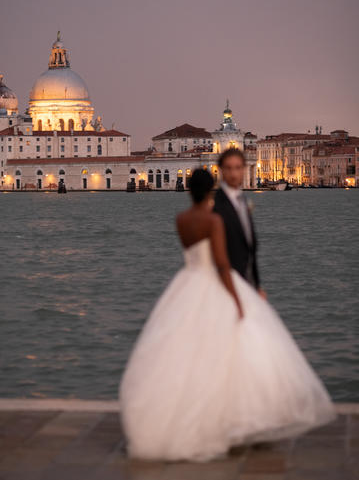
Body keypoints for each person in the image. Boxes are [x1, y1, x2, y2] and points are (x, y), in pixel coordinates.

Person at [119, 169, 336, 463]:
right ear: (211, 191)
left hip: (187, 283)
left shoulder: (181, 220)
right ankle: (233, 419)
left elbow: (193, 254)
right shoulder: (214, 220)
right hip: (213, 283)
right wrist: (237, 299)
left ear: (188, 190)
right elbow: (221, 264)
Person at [214, 148, 265, 296]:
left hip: (247, 284)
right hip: (227, 289)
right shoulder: (217, 206)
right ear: (221, 171)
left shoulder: (243, 201)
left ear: (244, 169)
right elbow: (220, 258)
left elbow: (249, 249)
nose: (234, 173)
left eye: (237, 168)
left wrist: (257, 285)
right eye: (228, 168)